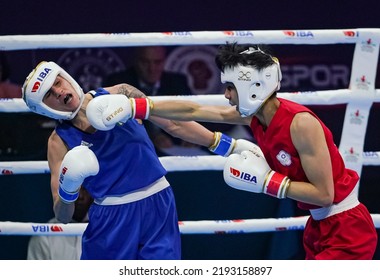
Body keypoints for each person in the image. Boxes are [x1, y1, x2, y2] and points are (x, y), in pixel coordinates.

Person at [87, 43, 378, 260]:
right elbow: (196, 109)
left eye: (229, 87)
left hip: (346, 229)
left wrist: (268, 182)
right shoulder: (256, 116)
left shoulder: (301, 124)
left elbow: (324, 194)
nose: (225, 94)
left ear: (252, 86)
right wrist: (140, 106)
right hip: (318, 226)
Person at [21, 60, 260, 260]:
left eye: (58, 82)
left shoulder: (120, 93)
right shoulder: (58, 142)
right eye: (49, 94)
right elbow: (62, 215)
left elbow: (173, 123)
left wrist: (228, 146)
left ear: (67, 77)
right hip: (111, 219)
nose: (59, 91)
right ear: (43, 107)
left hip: (158, 203)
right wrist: (68, 187)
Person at [104, 46, 202, 156]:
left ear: (164, 61)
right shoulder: (119, 83)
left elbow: (191, 115)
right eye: (145, 62)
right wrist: (152, 137)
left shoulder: (177, 82)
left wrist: (190, 136)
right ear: (136, 61)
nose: (152, 68)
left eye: (157, 62)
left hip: (175, 150)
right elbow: (118, 126)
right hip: (136, 150)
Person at [27, 187, 93, 260]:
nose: (80, 196)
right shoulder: (44, 236)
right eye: (74, 189)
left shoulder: (103, 231)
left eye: (85, 189)